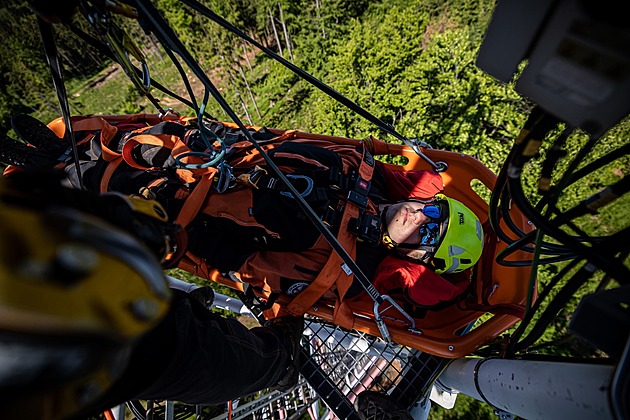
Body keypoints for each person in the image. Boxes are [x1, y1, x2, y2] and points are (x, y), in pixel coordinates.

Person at [0, 113, 484, 419]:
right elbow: (232, 145)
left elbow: (233, 256)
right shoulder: (359, 170)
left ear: (418, 261)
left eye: (428, 234)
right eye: (434, 210)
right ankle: (83, 168)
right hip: (178, 162)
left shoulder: (341, 268)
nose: (419, 216)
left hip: (169, 213)